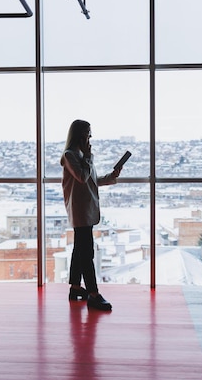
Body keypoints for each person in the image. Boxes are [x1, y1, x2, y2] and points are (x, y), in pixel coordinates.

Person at [60, 119, 122, 311]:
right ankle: (93, 294)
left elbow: (91, 180)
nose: (90, 137)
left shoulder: (80, 155)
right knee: (86, 253)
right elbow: (82, 177)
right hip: (80, 210)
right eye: (88, 133)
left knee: (80, 250)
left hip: (86, 209)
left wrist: (112, 177)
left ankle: (76, 287)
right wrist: (88, 157)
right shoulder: (70, 155)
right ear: (79, 135)